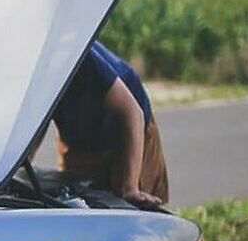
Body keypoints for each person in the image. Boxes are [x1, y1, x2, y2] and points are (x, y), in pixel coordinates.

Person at [52, 41, 169, 206]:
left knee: (132, 208)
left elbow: (133, 114)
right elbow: (33, 125)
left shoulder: (79, 57)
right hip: (79, 139)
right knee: (74, 203)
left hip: (127, 131)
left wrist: (131, 187)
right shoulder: (25, 71)